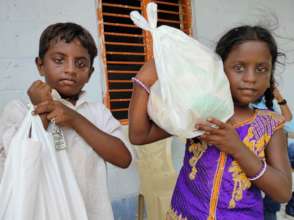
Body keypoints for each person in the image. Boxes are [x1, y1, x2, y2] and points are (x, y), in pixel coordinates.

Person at [128, 25, 292, 219]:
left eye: (261, 69)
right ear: (218, 69)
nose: (250, 78)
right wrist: (142, 83)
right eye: (239, 68)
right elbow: (139, 135)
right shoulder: (200, 110)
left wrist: (238, 149)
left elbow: (282, 193)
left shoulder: (270, 124)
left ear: (270, 74)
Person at [0, 22, 132, 220]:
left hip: (92, 214)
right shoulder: (19, 110)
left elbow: (123, 159)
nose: (70, 70)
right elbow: (16, 162)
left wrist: (75, 119)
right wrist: (40, 112)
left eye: (81, 64)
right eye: (59, 60)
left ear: (90, 73)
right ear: (40, 65)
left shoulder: (97, 112)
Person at [251, 87, 293, 219]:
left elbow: (289, 123)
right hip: (264, 153)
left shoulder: (267, 103)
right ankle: (271, 209)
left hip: (281, 150)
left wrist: (279, 98)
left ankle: (290, 205)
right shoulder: (248, 105)